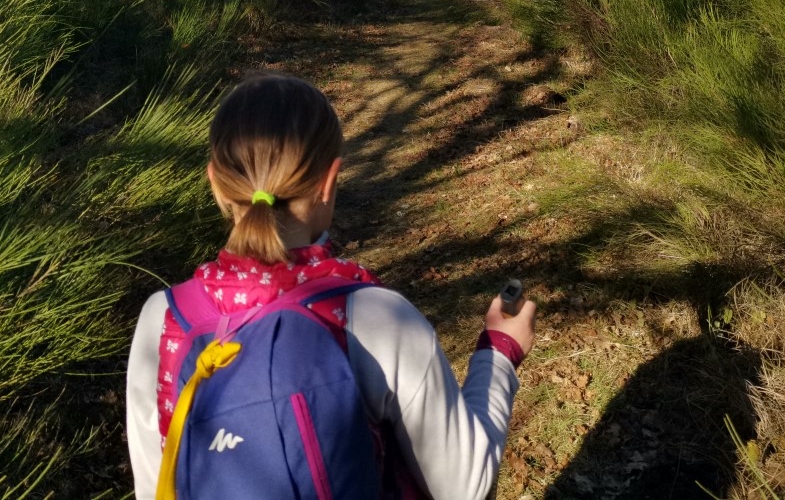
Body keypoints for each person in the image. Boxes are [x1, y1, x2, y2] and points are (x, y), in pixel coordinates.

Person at [126, 73, 537, 500]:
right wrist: (498, 356)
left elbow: (155, 482)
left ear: (215, 184)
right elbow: (463, 487)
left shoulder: (164, 317)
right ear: (328, 182)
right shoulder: (376, 317)